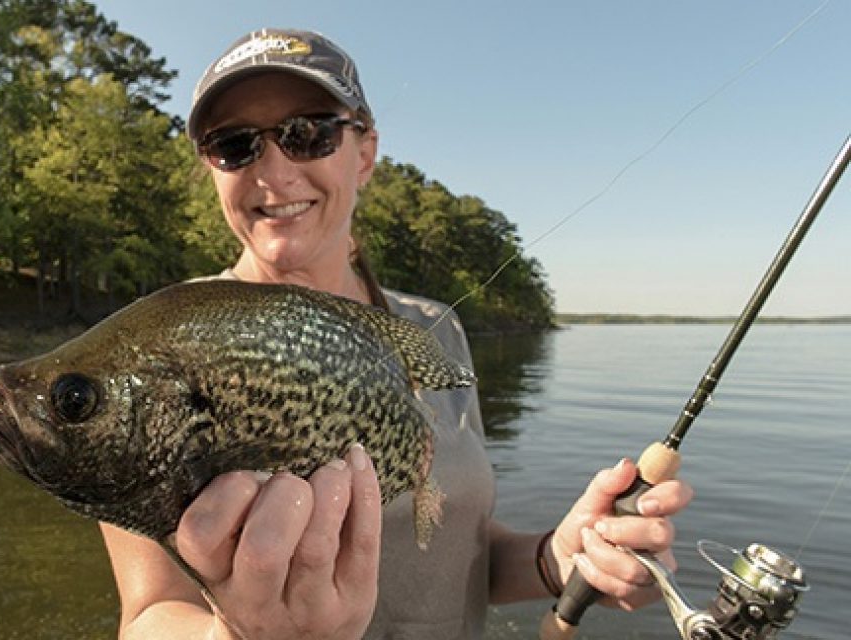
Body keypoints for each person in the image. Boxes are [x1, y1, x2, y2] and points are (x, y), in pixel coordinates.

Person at [99, 28, 693, 639]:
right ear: (210, 168)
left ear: (365, 153)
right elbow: (149, 614)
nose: (274, 170)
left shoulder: (434, 328)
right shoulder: (159, 345)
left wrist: (559, 557)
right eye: (234, 145)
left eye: (310, 133)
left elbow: (454, 546)